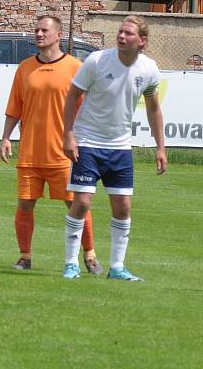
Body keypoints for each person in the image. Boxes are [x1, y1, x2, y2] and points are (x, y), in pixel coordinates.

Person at [62, 15, 166, 281]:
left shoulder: (149, 69)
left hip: (120, 147)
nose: (121, 37)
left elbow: (154, 109)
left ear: (142, 41)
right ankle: (71, 264)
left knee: (122, 207)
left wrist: (160, 147)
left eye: (128, 34)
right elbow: (73, 96)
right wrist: (69, 135)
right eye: (120, 32)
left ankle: (117, 267)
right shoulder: (96, 61)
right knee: (82, 202)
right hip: (87, 142)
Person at [0, 15, 101, 274]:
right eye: (36, 30)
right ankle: (24, 257)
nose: (39, 34)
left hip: (65, 154)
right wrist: (5, 138)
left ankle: (90, 256)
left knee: (77, 204)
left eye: (44, 30)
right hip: (31, 152)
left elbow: (88, 109)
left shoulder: (75, 67)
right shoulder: (24, 68)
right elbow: (15, 107)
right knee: (24, 203)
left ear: (58, 35)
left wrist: (84, 141)